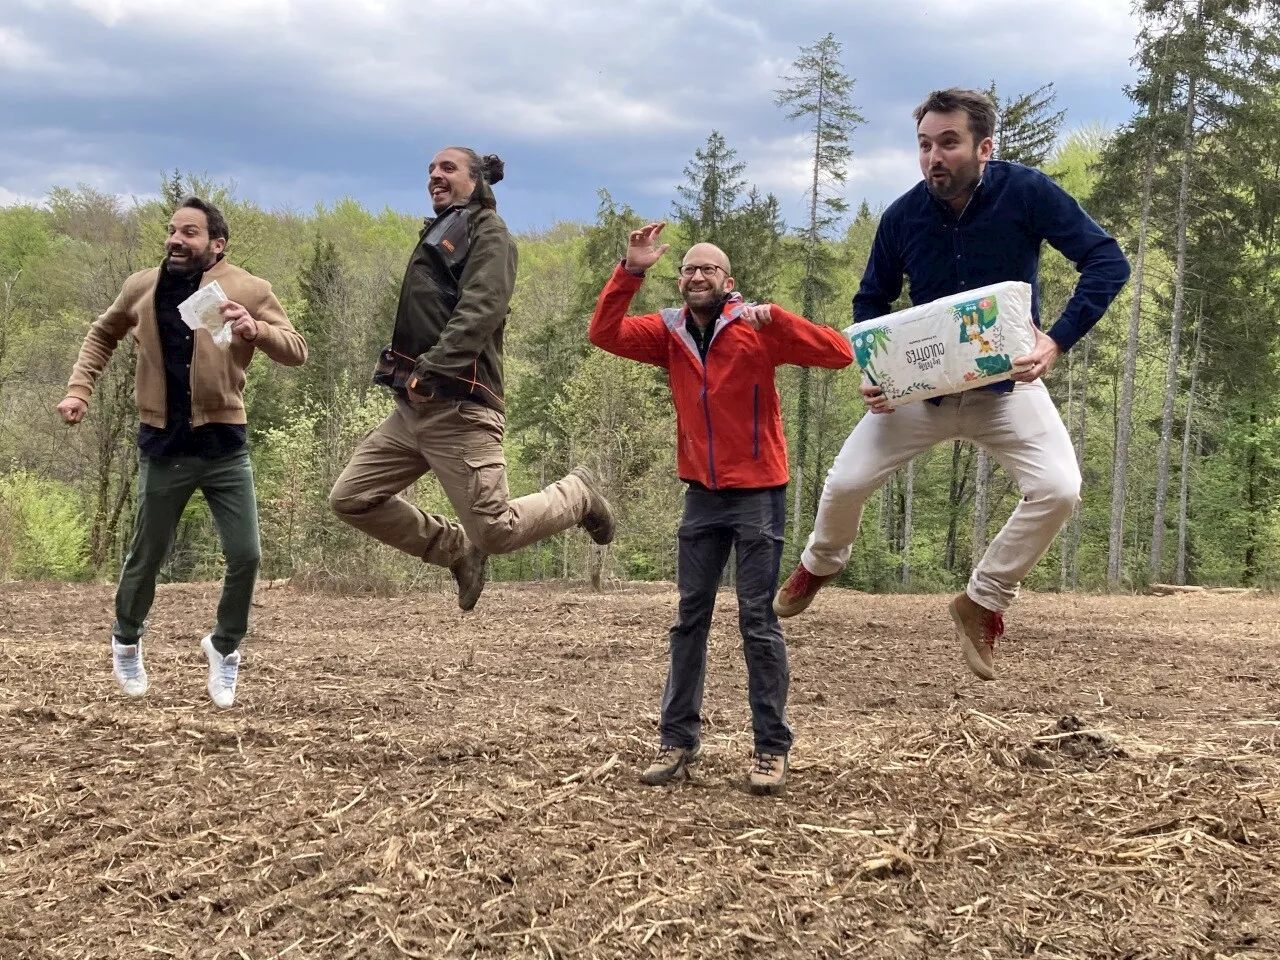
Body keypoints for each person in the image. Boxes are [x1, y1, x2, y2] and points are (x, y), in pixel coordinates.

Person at [774, 87, 1131, 682]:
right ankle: (820, 562)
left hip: (1007, 390)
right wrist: (875, 371)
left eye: (948, 143)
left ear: (983, 147)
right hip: (920, 392)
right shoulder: (902, 216)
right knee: (845, 481)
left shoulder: (1027, 193)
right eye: (923, 145)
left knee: (1060, 488)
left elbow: (1107, 261)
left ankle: (983, 600)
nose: (933, 157)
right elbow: (871, 300)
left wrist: (1056, 339)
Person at [589, 223, 853, 795]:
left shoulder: (757, 329)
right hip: (701, 497)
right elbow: (604, 332)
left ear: (728, 281)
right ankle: (678, 742)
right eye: (687, 268)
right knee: (689, 621)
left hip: (759, 493)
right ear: (679, 279)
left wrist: (778, 319)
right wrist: (630, 271)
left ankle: (770, 749)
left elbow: (840, 353)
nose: (696, 275)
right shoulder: (668, 333)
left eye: (708, 268)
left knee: (758, 621)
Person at [329, 148, 615, 609]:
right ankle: (456, 549)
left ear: (476, 178)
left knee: (497, 532)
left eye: (447, 168)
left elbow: (482, 310)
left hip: (459, 407)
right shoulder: (445, 231)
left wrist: (432, 370)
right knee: (351, 498)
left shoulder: (489, 232)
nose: (434, 176)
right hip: (410, 410)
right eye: (430, 170)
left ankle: (576, 495)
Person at [58, 196, 308, 708]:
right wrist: (79, 389)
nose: (175, 239)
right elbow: (102, 333)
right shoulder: (142, 287)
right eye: (173, 230)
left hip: (224, 447)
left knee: (246, 556)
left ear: (216, 245)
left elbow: (296, 349)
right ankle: (126, 639)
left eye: (189, 233)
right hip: (163, 446)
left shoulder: (248, 289)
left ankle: (224, 648)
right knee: (146, 556)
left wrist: (255, 330)